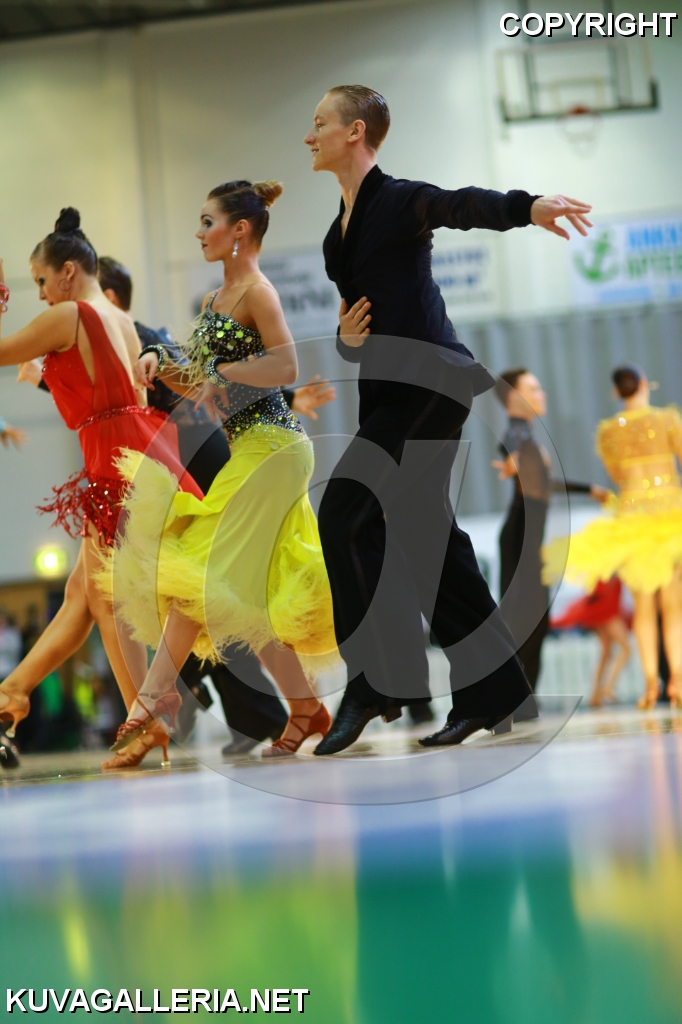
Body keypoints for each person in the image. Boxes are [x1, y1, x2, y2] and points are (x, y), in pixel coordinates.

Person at [302, 85, 593, 753]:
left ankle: (373, 682)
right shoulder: (333, 240)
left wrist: (528, 207)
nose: (308, 135)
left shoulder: (400, 199)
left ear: (355, 132)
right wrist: (345, 339)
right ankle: (497, 691)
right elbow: (357, 333)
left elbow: (460, 204)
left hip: (432, 382)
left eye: (319, 123)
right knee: (425, 535)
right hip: (387, 392)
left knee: (342, 511)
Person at [21, 255, 336, 757]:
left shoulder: (123, 326)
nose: (44, 295)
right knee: (220, 594)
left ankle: (151, 706)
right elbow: (199, 377)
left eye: (44, 281)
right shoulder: (142, 324)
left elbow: (200, 374)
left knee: (189, 584)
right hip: (203, 453)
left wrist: (283, 396)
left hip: (198, 458)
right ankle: (294, 708)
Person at [98, 180, 337, 767]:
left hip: (275, 449)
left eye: (208, 222)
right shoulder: (211, 303)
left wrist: (219, 375)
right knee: (241, 597)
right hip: (248, 448)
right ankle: (306, 708)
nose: (199, 233)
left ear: (240, 231)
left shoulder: (260, 292)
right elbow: (197, 384)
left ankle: (152, 703)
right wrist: (159, 364)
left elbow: (286, 365)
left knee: (198, 577)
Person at [0, 209, 201, 762]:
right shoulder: (119, 317)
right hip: (139, 452)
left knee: (106, 598)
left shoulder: (70, 314)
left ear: (67, 272)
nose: (40, 293)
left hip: (114, 460)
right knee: (83, 594)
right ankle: (14, 691)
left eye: (41, 280)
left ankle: (144, 719)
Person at [544, 365, 682, 710]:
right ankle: (677, 680)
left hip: (631, 519)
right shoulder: (667, 419)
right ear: (644, 384)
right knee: (673, 605)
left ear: (616, 392)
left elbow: (617, 475)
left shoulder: (609, 430)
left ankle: (650, 683)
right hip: (669, 516)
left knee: (643, 607)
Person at [492, 368, 608, 693]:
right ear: (514, 396)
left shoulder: (528, 436)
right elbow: (509, 443)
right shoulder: (519, 434)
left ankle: (522, 693)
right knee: (523, 618)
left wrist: (589, 489)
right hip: (521, 534)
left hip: (528, 534)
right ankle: (512, 693)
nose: (541, 394)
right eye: (533, 388)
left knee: (536, 618)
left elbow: (544, 484)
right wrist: (511, 457)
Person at [550, 578, 632, 708]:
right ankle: (609, 687)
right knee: (625, 649)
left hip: (599, 605)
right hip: (607, 608)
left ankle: (595, 695)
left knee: (606, 652)